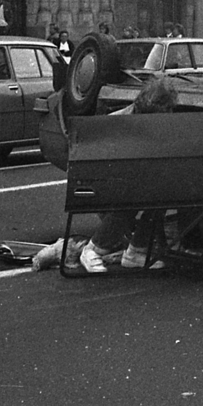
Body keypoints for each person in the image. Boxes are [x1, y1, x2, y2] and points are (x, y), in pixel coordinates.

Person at [78, 79, 179, 272]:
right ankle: (93, 249)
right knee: (133, 199)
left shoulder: (146, 118)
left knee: (159, 195)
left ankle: (136, 251)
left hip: (127, 181)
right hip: (103, 184)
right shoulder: (118, 124)